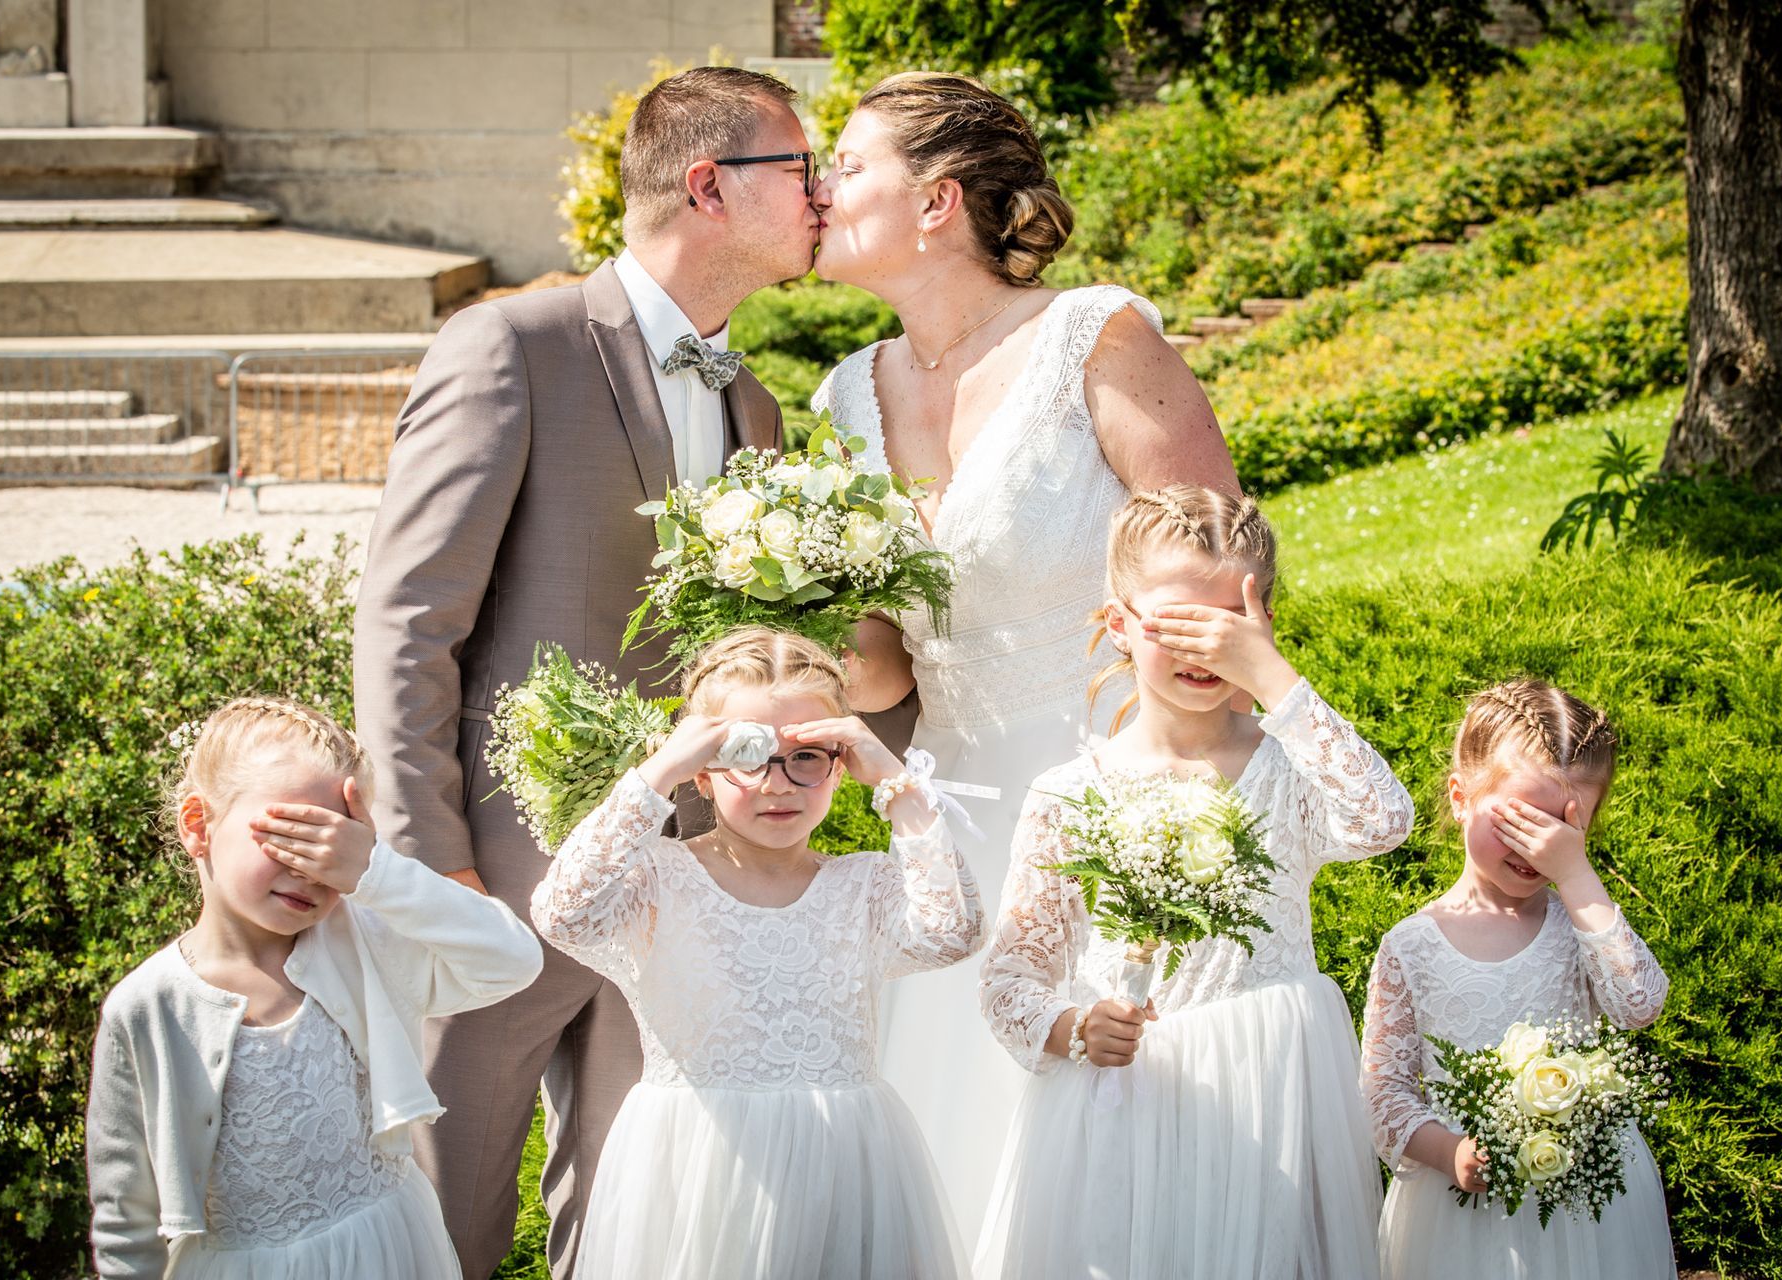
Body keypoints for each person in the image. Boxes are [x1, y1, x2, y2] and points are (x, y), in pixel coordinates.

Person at [352, 67, 815, 1278]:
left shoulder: (757, 408)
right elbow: (408, 621)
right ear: (709, 186)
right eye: (800, 169)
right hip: (499, 881)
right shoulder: (511, 345)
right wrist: (435, 868)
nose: (822, 195)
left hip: (679, 890)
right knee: (436, 1221)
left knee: (634, 1225)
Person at [807, 71, 1242, 1238]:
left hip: (1123, 788)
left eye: (847, 165)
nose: (820, 188)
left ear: (937, 200)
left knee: (1123, 1140)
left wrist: (1191, 796)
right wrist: (783, 627)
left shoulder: (1093, 335)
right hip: (955, 810)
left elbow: (1220, 565)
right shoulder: (846, 396)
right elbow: (885, 668)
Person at [975, 487, 1410, 1278]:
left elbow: (1383, 821)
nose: (1204, 646)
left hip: (1271, 1087)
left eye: (1229, 623)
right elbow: (1010, 979)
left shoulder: (1289, 771)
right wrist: (1075, 1026)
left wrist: (1274, 680)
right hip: (1131, 1098)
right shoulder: (1068, 794)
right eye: (1178, 622)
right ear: (1119, 624)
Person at [529, 627, 983, 1278]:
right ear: (702, 773)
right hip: (699, 1167)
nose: (779, 784)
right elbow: (562, 911)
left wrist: (896, 782)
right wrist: (657, 773)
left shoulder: (864, 885)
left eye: (808, 756)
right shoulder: (658, 880)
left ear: (840, 764)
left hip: (843, 1163)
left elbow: (953, 932)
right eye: (747, 754)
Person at [85, 696, 544, 1278]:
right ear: (198, 825)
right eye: (292, 836)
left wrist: (375, 871)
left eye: (333, 847)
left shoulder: (367, 940)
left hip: (390, 1251)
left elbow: (513, 959)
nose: (310, 870)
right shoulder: (148, 1008)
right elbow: (125, 1219)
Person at [1361, 680, 1677, 1279]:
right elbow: (1384, 1095)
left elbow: (1639, 1004)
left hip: (1588, 1204)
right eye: (1520, 819)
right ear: (1461, 797)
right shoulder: (1411, 946)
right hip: (1462, 1215)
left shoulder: (1580, 926)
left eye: (1563, 830)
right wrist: (1449, 1152)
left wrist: (1577, 876)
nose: (1537, 847)